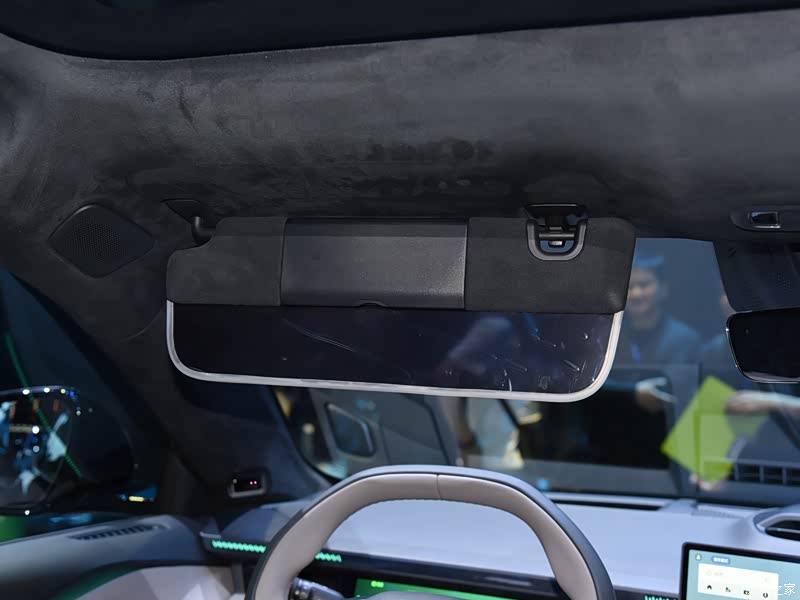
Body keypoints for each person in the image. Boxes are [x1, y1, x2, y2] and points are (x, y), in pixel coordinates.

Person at [617, 253, 701, 365]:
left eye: (643, 285)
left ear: (663, 289)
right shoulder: (609, 337)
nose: (636, 293)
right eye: (629, 286)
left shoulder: (685, 339)